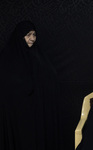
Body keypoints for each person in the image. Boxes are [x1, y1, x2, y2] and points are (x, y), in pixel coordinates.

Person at [0, 21, 62, 150]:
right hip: (18, 115)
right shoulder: (7, 58)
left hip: (37, 113)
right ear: (20, 36)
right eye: (28, 35)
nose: (32, 39)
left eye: (34, 34)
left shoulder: (38, 55)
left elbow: (50, 77)